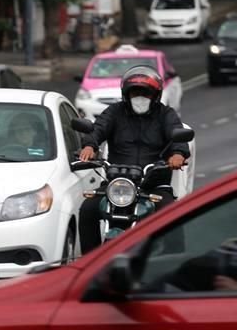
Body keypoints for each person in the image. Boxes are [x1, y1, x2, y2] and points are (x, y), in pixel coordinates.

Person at [77, 65, 190, 253]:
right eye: (135, 92)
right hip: (118, 183)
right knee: (88, 209)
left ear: (155, 95)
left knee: (171, 215)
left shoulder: (165, 114)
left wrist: (178, 154)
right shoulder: (115, 112)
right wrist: (90, 145)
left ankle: (172, 262)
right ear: (126, 94)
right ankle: (89, 261)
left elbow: (175, 133)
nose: (140, 97)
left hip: (153, 184)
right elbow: (98, 129)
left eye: (145, 93)